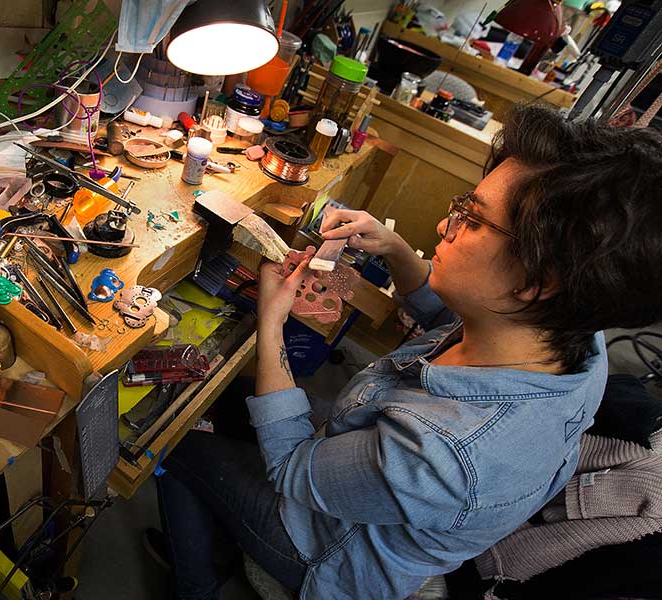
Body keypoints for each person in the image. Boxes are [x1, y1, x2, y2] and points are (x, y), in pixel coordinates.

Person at [146, 104, 662, 599]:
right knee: (219, 405)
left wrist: (272, 321)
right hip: (363, 459)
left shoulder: (448, 455)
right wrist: (393, 249)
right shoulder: (570, 336)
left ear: (538, 281)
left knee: (172, 440)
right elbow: (445, 318)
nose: (444, 225)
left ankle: (195, 586)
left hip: (328, 555)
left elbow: (291, 466)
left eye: (472, 220)